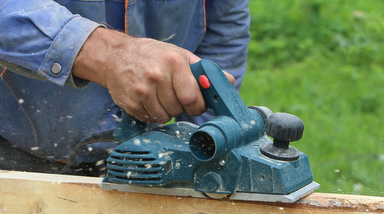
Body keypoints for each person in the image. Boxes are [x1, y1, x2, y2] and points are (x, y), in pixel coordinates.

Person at [0, 0, 250, 175]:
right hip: (12, 148)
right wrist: (103, 53)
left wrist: (203, 145)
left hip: (152, 160)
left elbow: (224, 29)